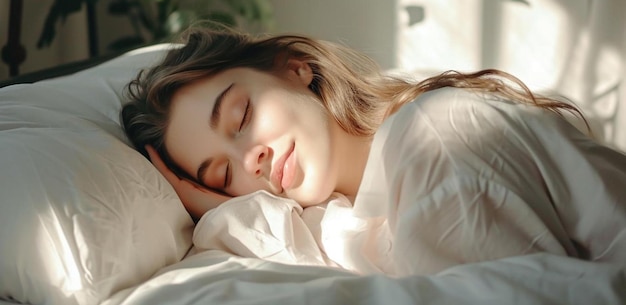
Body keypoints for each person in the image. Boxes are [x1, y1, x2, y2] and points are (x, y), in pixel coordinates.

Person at [121, 26, 626, 275]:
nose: (249, 159)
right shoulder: (346, 218)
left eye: (242, 117)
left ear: (294, 67)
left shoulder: (434, 136)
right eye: (223, 174)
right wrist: (217, 209)